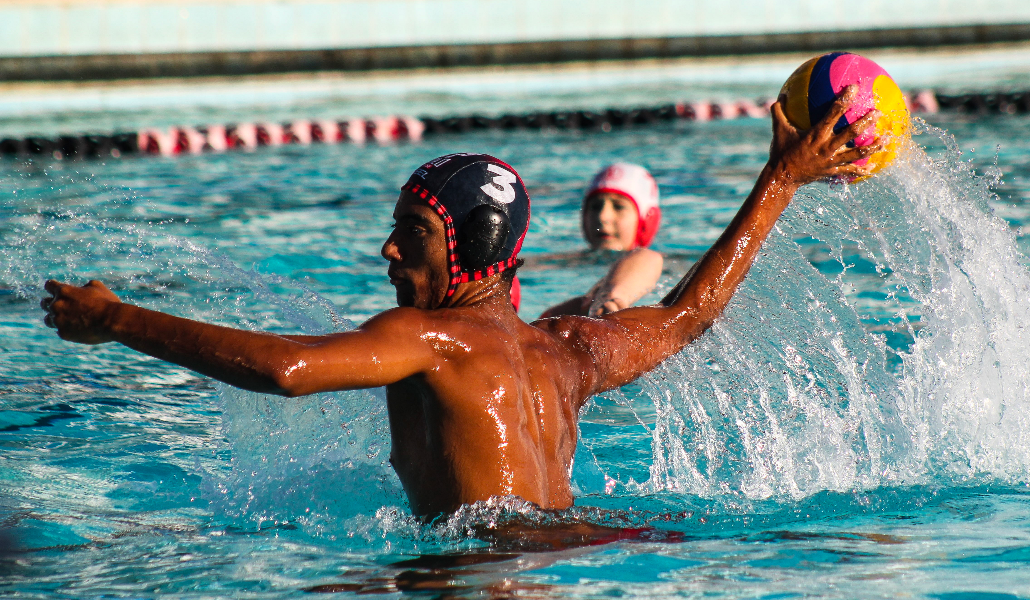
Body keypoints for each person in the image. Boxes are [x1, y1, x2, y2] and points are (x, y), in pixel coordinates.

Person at [41, 87, 881, 519]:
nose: (389, 250)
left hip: (476, 573)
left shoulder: (429, 340)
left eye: (411, 233)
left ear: (468, 253)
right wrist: (781, 179)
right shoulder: (567, 350)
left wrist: (119, 321)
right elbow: (692, 315)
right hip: (570, 556)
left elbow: (287, 370)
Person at [539, 163, 664, 318]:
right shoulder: (556, 263)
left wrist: (611, 299)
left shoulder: (660, 263)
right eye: (596, 206)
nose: (603, 217)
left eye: (619, 207)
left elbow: (648, 259)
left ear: (646, 220)